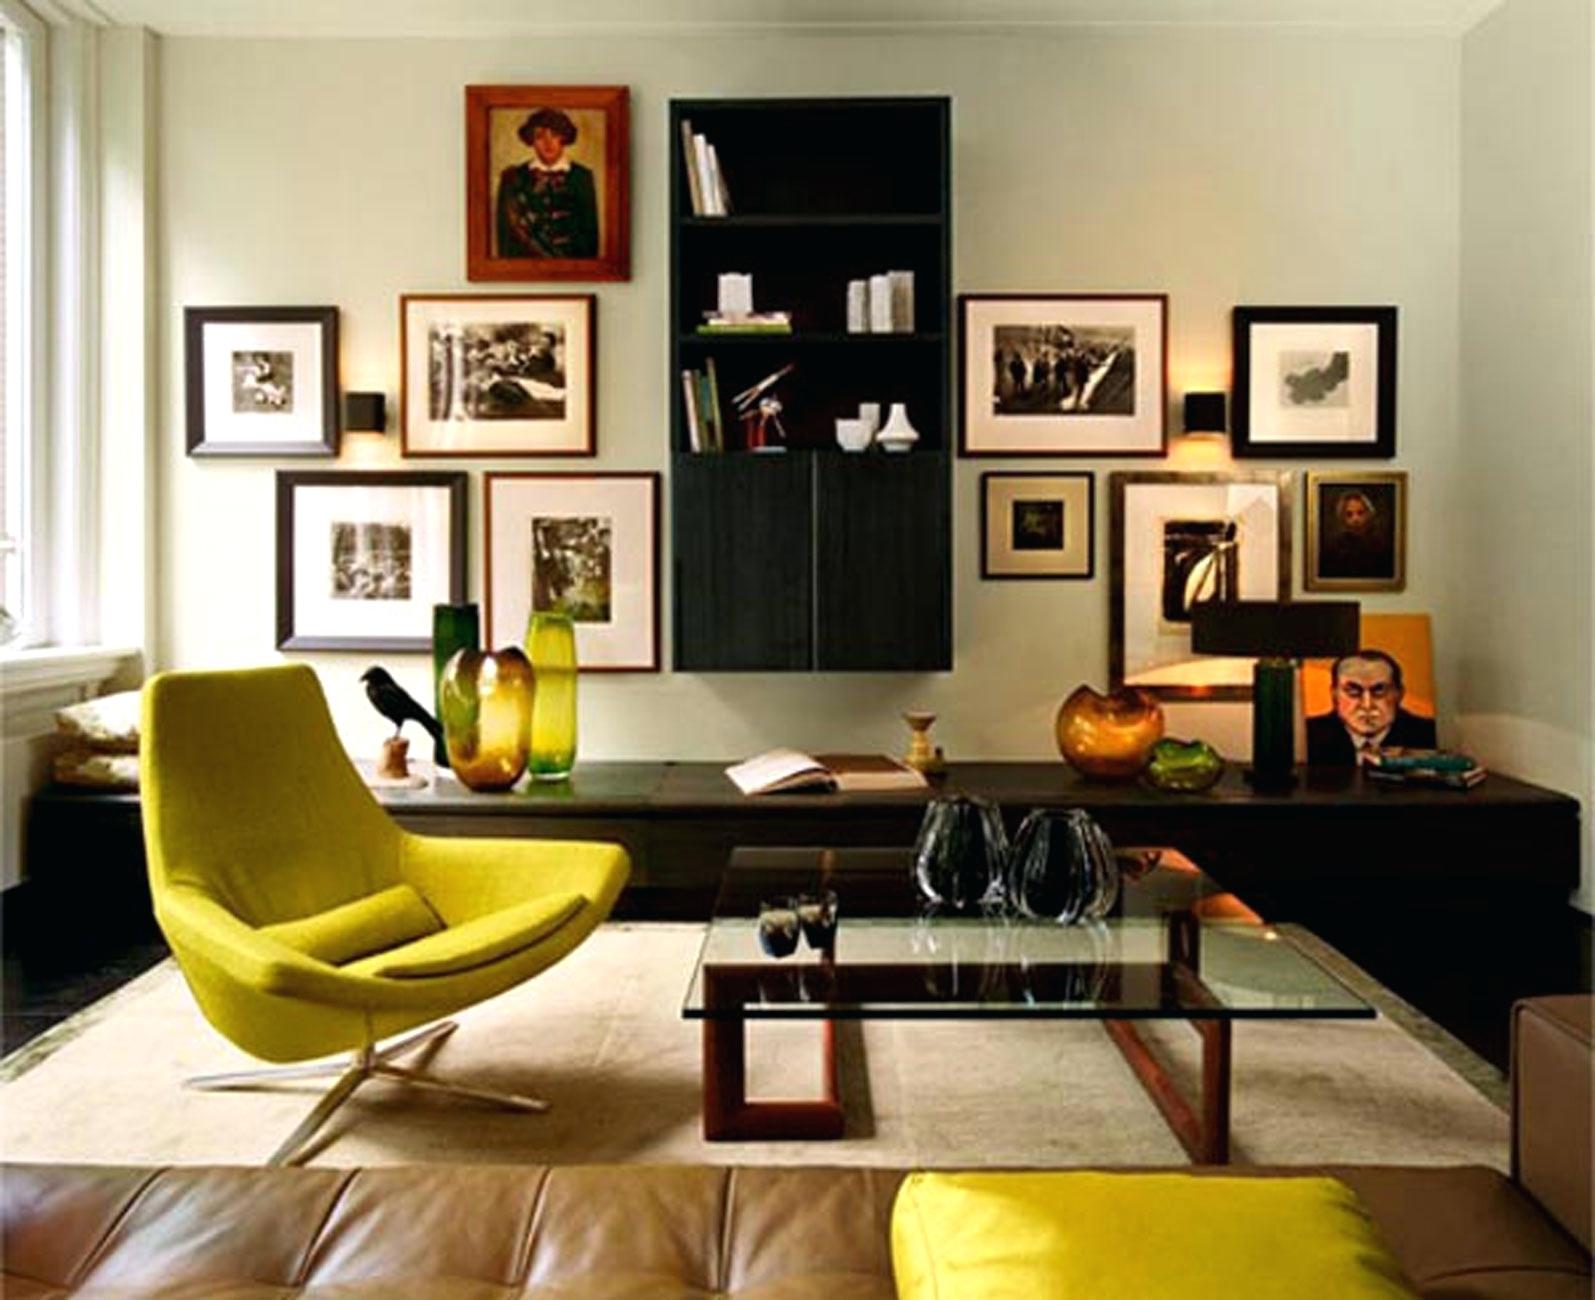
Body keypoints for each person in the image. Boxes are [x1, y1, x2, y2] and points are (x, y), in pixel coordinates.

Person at [495, 107, 599, 260]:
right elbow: (505, 238)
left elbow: (590, 234)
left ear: (564, 138)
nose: (548, 142)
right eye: (539, 136)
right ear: (531, 140)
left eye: (554, 135)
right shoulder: (513, 178)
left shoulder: (582, 176)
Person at [1306, 649, 1437, 764]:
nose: (1367, 705)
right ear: (1334, 694)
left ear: (1399, 694)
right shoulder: (1306, 737)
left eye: (1379, 691)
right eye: (1353, 691)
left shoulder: (1430, 735)